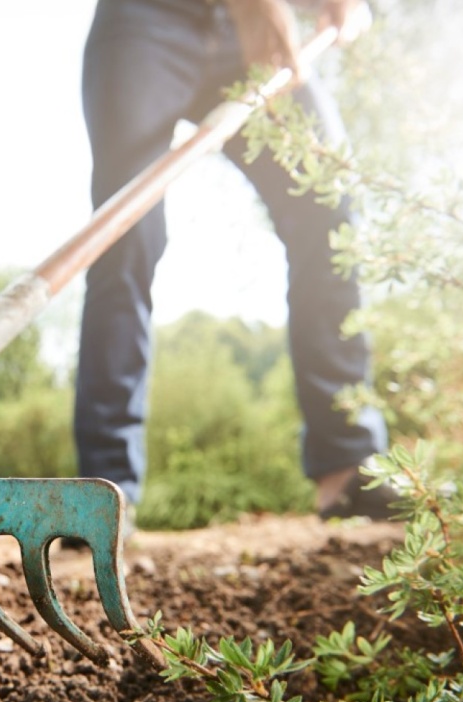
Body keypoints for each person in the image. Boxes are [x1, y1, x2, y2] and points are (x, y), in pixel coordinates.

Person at [73, 0, 396, 527]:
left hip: (242, 33)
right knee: (125, 236)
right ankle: (105, 495)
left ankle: (347, 463)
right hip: (144, 21)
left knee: (329, 208)